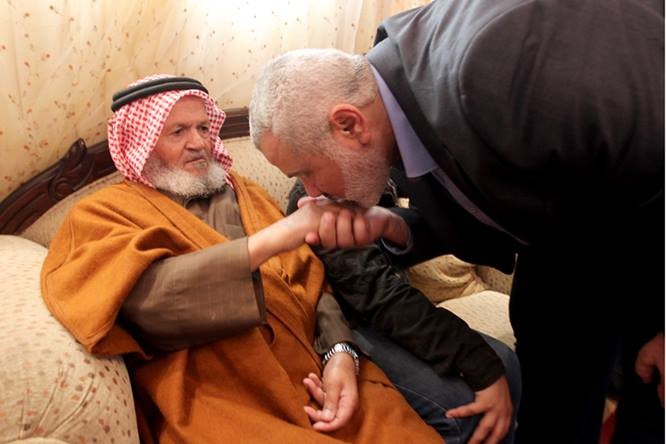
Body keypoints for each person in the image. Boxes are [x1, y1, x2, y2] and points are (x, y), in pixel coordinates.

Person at [248, 1, 665, 443]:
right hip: (567, 268)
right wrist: (389, 225)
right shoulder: (400, 96)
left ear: (348, 125)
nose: (310, 193)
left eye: (307, 172)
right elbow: (487, 202)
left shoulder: (490, 61)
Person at [40, 74, 444, 444]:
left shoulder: (240, 190)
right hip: (219, 393)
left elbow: (311, 281)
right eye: (178, 131)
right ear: (139, 142)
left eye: (203, 128)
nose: (198, 143)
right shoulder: (103, 212)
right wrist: (280, 235)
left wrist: (340, 351)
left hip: (316, 372)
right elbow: (147, 305)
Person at [287, 179, 521, 444]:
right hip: (354, 326)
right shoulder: (316, 201)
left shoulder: (383, 177)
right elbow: (380, 297)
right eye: (300, 174)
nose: (311, 189)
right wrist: (479, 362)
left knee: (506, 361)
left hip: (388, 311)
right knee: (458, 407)